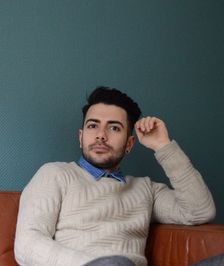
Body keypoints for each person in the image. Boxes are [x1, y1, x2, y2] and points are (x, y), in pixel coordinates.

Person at [14, 87, 216, 266]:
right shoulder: (55, 174)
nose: (101, 135)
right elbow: (27, 244)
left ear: (129, 144)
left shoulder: (146, 189)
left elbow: (199, 211)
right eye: (93, 126)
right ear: (81, 136)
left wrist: (163, 146)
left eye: (114, 128)